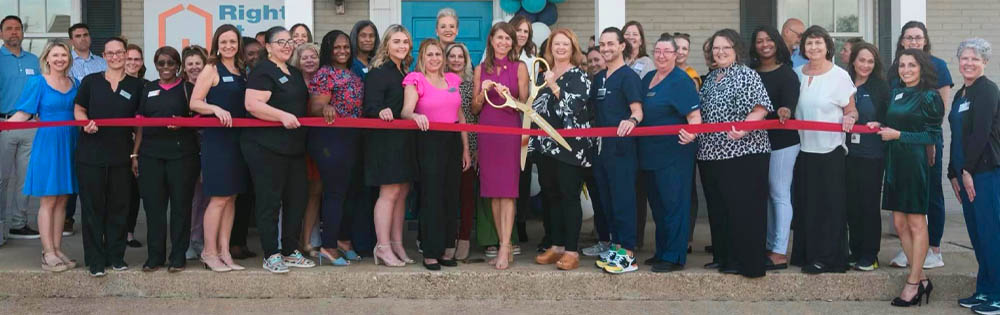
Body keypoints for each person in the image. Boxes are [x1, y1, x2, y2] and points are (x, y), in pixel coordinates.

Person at [697, 29, 772, 278]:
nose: (720, 53)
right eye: (716, 48)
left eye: (725, 48)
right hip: (712, 155)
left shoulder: (746, 75)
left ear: (736, 50)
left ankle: (747, 262)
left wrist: (744, 128)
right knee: (721, 210)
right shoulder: (710, 79)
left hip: (744, 153)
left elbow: (760, 109)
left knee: (744, 210)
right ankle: (726, 258)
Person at [242, 26, 316, 273]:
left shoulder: (293, 72)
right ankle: (271, 253)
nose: (287, 45)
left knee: (296, 199)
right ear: (269, 47)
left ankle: (290, 250)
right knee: (269, 202)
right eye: (280, 41)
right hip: (266, 146)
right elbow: (252, 104)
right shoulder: (263, 71)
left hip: (294, 147)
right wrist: (282, 115)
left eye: (289, 41)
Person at [875, 49, 943, 307]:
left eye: (912, 65)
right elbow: (891, 122)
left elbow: (932, 136)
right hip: (895, 162)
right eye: (902, 65)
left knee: (916, 222)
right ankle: (923, 278)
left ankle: (913, 283)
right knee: (900, 223)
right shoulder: (896, 92)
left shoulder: (929, 97)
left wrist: (899, 135)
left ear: (921, 67)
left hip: (914, 165)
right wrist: (878, 126)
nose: (906, 70)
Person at [73, 37, 144, 277]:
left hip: (120, 155)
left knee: (119, 207)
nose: (115, 57)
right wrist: (84, 123)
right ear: (103, 56)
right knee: (93, 208)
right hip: (90, 154)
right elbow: (79, 108)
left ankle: (116, 256)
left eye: (120, 53)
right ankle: (95, 260)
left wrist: (135, 154)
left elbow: (140, 124)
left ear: (126, 55)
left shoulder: (137, 86)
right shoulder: (91, 82)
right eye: (110, 53)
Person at [790, 26, 858, 275]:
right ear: (802, 47)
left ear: (828, 46)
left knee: (829, 207)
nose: (814, 48)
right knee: (806, 204)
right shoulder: (796, 74)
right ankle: (806, 253)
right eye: (809, 43)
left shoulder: (839, 76)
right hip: (802, 150)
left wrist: (850, 117)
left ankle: (828, 258)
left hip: (830, 150)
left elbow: (851, 110)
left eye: (818, 43)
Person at [7, 41, 78, 271]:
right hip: (48, 143)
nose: (60, 59)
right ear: (47, 58)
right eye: (55, 55)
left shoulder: (74, 82)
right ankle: (47, 252)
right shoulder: (37, 82)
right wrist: (4, 126)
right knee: (48, 199)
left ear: (69, 59)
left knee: (62, 199)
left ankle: (57, 249)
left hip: (70, 143)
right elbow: (24, 113)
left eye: (64, 55)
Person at [887, 21, 953, 270]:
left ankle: (933, 248)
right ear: (902, 42)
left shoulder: (939, 66)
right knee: (905, 198)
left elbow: (941, 109)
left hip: (925, 141)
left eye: (918, 37)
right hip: (899, 143)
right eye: (908, 38)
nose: (913, 41)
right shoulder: (896, 68)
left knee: (931, 193)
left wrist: (930, 142)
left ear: (925, 40)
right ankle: (912, 250)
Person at [401, 38, 470, 270]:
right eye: (429, 54)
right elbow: (405, 111)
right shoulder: (415, 80)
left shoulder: (452, 79)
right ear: (422, 57)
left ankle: (446, 250)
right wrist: (415, 116)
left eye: (438, 54)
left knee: (451, 196)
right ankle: (430, 252)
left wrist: (466, 149)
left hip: (453, 143)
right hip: (429, 141)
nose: (434, 59)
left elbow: (461, 117)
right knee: (432, 197)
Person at [529, 28, 594, 271]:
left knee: (568, 197)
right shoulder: (542, 75)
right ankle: (555, 246)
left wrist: (555, 87)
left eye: (565, 44)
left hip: (570, 148)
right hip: (546, 148)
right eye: (556, 44)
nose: (560, 48)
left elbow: (574, 108)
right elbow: (536, 110)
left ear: (573, 48)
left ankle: (571, 250)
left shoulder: (580, 76)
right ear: (550, 47)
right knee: (551, 196)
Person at [637, 34, 701, 273]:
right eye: (658, 51)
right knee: (659, 206)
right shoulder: (647, 79)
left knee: (675, 204)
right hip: (650, 154)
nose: (661, 56)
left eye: (667, 51)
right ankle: (662, 251)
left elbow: (694, 117)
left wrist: (692, 134)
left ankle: (675, 256)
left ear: (676, 55)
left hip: (674, 154)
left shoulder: (680, 81)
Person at [133, 45, 199, 273]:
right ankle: (155, 257)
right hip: (150, 156)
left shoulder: (189, 89)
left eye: (170, 63)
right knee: (154, 209)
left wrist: (184, 122)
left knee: (181, 208)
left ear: (178, 65)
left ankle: (178, 256)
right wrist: (135, 154)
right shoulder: (147, 88)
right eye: (161, 63)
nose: (166, 68)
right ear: (155, 65)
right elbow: (140, 124)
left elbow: (200, 121)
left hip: (182, 156)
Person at [189, 24, 249, 272]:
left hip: (238, 141)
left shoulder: (242, 70)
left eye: (232, 41)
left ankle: (224, 251)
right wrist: (215, 109)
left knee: (231, 197)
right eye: (223, 42)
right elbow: (194, 102)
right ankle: (209, 251)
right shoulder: (211, 68)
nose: (228, 46)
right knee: (218, 198)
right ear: (216, 44)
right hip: (218, 141)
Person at [472, 21, 529, 270]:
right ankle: (500, 240)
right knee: (493, 192)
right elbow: (474, 108)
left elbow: (525, 105)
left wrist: (510, 97)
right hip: (488, 131)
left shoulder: (520, 67)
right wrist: (483, 92)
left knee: (508, 191)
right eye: (499, 38)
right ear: (491, 40)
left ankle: (505, 245)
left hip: (509, 131)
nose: (504, 42)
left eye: (508, 38)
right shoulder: (480, 68)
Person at [949, 38, 1000, 314]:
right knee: (978, 235)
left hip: (985, 174)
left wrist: (968, 170)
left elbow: (981, 134)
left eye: (975, 59)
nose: (968, 63)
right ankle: (984, 290)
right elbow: (957, 136)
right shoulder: (961, 95)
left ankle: (998, 294)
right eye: (964, 58)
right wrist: (952, 174)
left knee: (992, 233)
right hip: (965, 174)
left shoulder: (987, 91)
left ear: (985, 62)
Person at [305, 30, 365, 266]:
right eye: (337, 47)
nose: (342, 51)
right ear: (329, 49)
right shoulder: (324, 74)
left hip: (351, 138)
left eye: (346, 47)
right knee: (335, 193)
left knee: (350, 192)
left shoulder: (352, 73)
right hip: (329, 140)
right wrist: (325, 107)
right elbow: (315, 106)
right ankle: (328, 246)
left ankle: (343, 240)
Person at [590, 27, 644, 274]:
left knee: (623, 201)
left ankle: (629, 254)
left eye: (611, 43)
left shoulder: (628, 77)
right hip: (601, 150)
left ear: (622, 46)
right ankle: (616, 247)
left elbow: (638, 111)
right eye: (602, 44)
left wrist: (631, 121)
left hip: (622, 150)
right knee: (607, 201)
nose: (606, 48)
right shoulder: (599, 77)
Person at [364, 24, 417, 268]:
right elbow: (370, 106)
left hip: (403, 141)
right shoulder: (378, 71)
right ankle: (382, 247)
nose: (402, 46)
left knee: (402, 192)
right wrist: (380, 110)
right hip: (384, 142)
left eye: (405, 42)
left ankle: (397, 244)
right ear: (387, 44)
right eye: (396, 41)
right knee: (389, 193)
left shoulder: (403, 71)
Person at [749, 26, 799, 270]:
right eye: (759, 41)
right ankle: (769, 245)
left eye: (769, 39)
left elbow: (789, 105)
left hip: (782, 141)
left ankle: (779, 251)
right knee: (766, 195)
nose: (764, 44)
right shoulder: (750, 72)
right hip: (755, 142)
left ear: (777, 42)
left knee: (779, 193)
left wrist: (784, 110)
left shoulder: (787, 73)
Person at [846, 42, 889, 272]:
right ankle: (855, 250)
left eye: (870, 61)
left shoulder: (881, 87)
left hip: (872, 156)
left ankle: (870, 254)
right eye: (861, 60)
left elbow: (889, 117)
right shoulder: (843, 83)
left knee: (868, 205)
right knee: (851, 205)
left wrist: (881, 123)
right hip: (845, 154)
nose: (865, 65)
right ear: (853, 61)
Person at [0, 15, 41, 241]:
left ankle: (19, 223)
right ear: (1, 33)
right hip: (3, 124)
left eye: (17, 29)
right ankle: (0, 228)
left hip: (30, 126)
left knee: (25, 179)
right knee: (1, 179)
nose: (14, 32)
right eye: (9, 29)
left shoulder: (33, 60)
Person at [290, 43, 322, 257]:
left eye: (314, 57)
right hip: (294, 144)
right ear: (297, 61)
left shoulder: (323, 82)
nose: (310, 61)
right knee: (294, 194)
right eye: (305, 57)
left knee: (315, 193)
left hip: (319, 144)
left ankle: (307, 241)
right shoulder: (291, 82)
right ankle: (290, 242)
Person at [445, 42, 476, 261]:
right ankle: (448, 238)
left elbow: (477, 116)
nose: (456, 60)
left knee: (466, 195)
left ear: (466, 60)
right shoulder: (440, 82)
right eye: (452, 56)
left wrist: (476, 148)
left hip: (470, 144)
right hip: (445, 144)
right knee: (448, 196)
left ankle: (464, 238)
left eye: (460, 57)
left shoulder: (473, 83)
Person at [183, 44, 210, 261]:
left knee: (207, 198)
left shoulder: (212, 86)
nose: (194, 68)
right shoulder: (182, 89)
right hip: (188, 149)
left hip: (211, 147)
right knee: (191, 199)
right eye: (190, 64)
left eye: (197, 64)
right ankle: (189, 240)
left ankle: (201, 239)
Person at [121, 43, 146, 248]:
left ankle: (129, 232)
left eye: (136, 59)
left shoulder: (147, 86)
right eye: (129, 59)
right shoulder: (113, 83)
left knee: (134, 192)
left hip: (141, 145)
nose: (132, 63)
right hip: (118, 143)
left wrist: (135, 154)